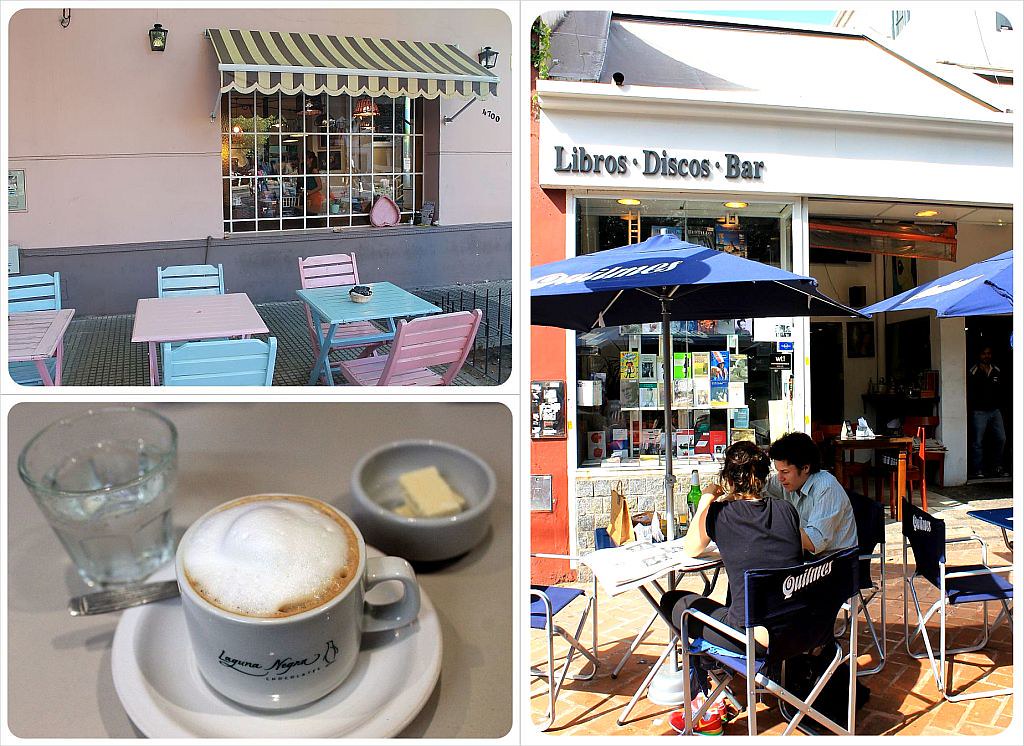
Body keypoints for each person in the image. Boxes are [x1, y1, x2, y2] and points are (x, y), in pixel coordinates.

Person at [660, 441, 804, 734]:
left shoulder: (721, 515)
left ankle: (709, 695)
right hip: (796, 628)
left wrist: (706, 501)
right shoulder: (787, 510)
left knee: (674, 602)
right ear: (764, 478)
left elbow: (692, 548)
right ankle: (723, 681)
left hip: (749, 636)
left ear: (727, 478)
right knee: (735, 594)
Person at [764, 432, 858, 556]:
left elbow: (814, 541)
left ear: (805, 468)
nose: (780, 478)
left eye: (785, 472)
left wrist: (769, 529)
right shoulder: (788, 480)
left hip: (835, 562)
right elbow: (758, 489)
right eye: (778, 471)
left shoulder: (826, 487)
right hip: (808, 558)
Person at [967, 346, 1006, 478]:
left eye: (989, 353)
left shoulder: (996, 371)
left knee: (1001, 438)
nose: (986, 356)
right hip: (979, 411)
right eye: (984, 353)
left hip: (995, 410)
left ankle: (997, 467)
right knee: (978, 441)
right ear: (979, 355)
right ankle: (978, 469)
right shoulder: (973, 371)